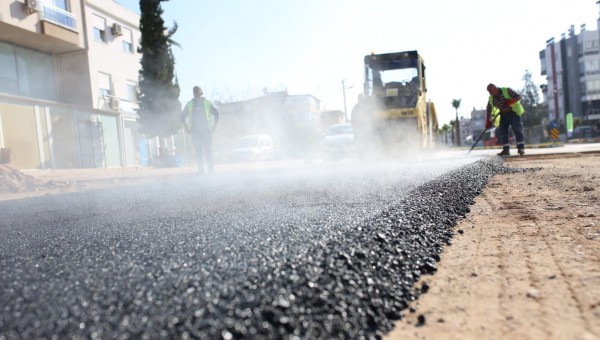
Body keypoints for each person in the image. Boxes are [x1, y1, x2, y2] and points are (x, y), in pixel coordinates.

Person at [181, 86, 219, 174]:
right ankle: (201, 171)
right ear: (193, 94)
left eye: (198, 92)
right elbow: (182, 116)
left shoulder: (207, 103)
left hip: (207, 132)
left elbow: (216, 114)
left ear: (201, 93)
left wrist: (214, 127)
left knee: (208, 152)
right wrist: (187, 128)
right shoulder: (190, 104)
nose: (196, 94)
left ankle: (210, 172)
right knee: (198, 153)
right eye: (195, 92)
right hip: (195, 133)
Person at [486, 83, 525, 156]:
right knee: (503, 132)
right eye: (489, 92)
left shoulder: (507, 90)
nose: (490, 93)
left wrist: (511, 101)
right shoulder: (491, 98)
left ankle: (521, 148)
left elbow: (518, 96)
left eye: (490, 91)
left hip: (513, 113)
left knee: (517, 130)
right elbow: (488, 109)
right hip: (503, 115)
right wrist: (488, 121)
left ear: (494, 89)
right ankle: (506, 150)